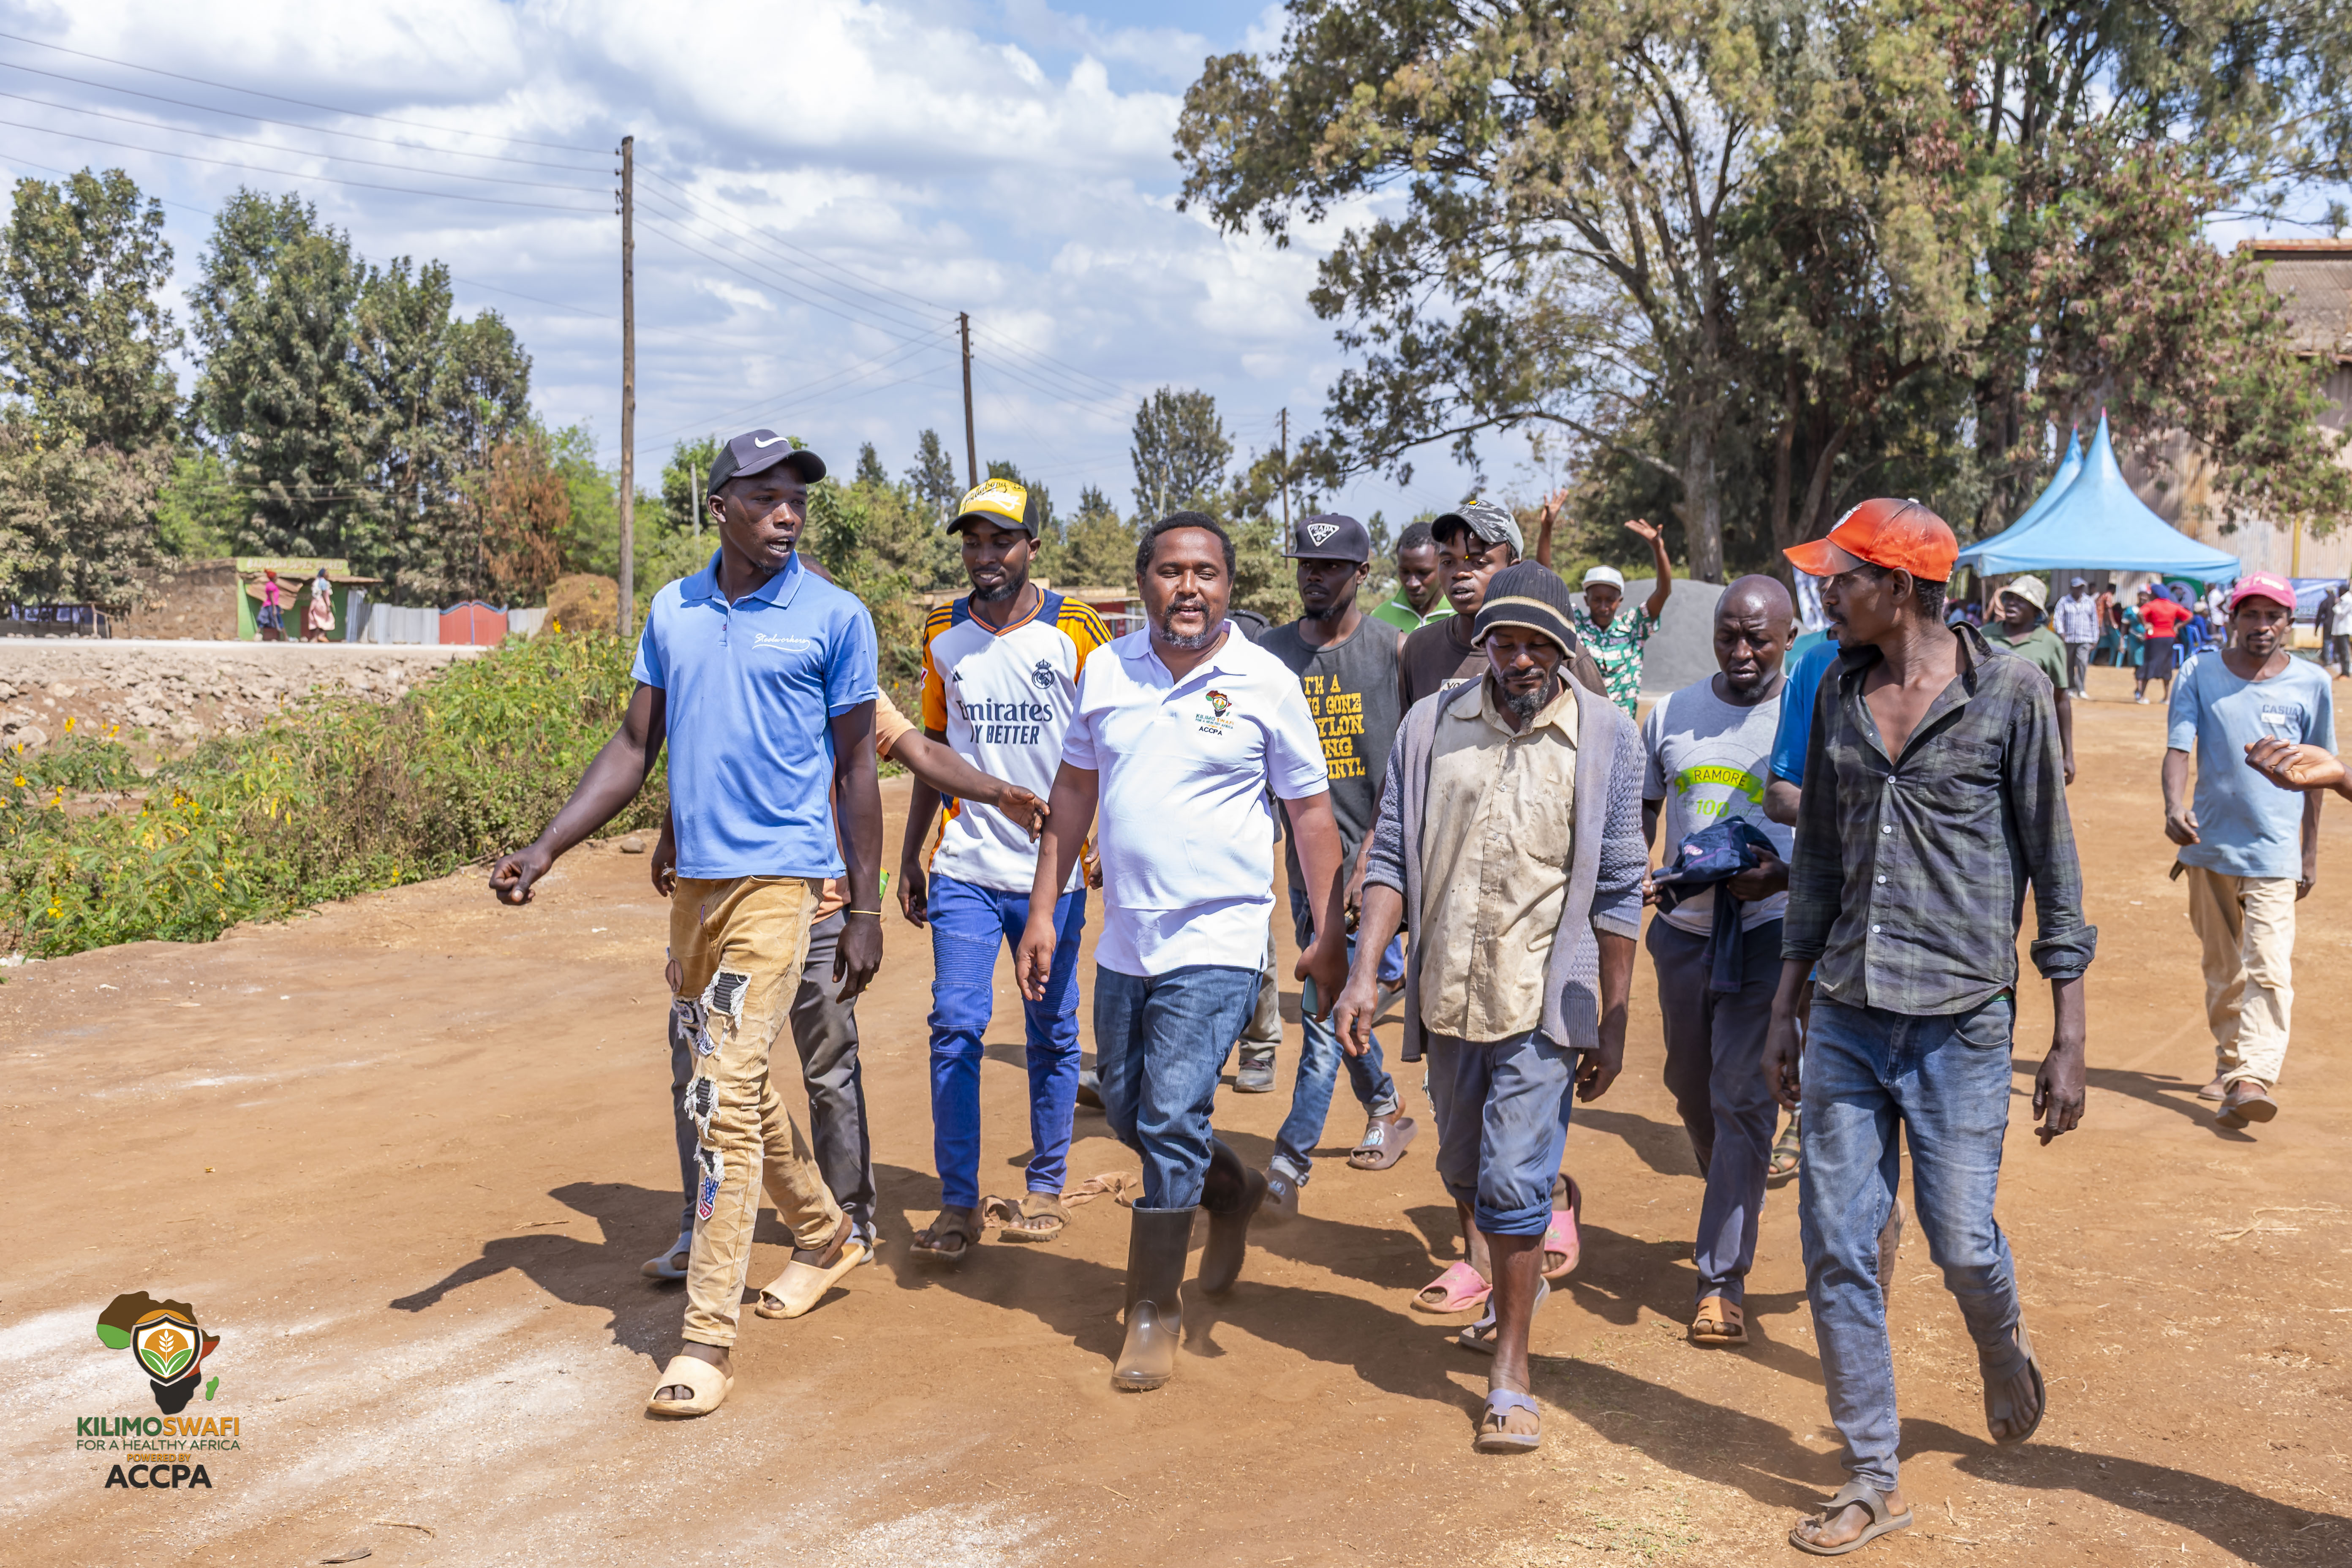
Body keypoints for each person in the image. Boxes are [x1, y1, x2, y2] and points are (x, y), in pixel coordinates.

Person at [488, 430, 879, 1420]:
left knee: (717, 1097)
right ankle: (829, 1234)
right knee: (734, 1083)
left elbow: (859, 771)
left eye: (798, 497)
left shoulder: (835, 618)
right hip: (695, 893)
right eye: (766, 495)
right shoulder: (674, 609)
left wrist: (865, 904)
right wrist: (546, 848)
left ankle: (707, 1334)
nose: (787, 511)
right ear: (720, 504)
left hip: (783, 885)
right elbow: (633, 746)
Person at [1766, 497, 2093, 1554]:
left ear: (1897, 589)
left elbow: (2054, 859)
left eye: (1843, 576)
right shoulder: (1836, 694)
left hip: (1961, 1025)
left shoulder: (2010, 693)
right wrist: (1788, 1003)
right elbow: (1815, 854)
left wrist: (2068, 1031)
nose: (1827, 592)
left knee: (1959, 1239)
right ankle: (1871, 1471)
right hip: (1850, 1017)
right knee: (1836, 1246)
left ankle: (1998, 1342)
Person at [1016, 512, 1349, 1394]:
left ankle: (1153, 1307)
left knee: (1167, 1116)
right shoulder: (1104, 670)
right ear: (1146, 583)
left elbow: (1312, 816)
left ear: (1229, 587)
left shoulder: (1266, 683)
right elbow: (1075, 787)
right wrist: (1047, 909)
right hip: (1127, 938)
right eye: (1170, 571)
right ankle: (1232, 1189)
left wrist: (1327, 935)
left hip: (1223, 936)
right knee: (1130, 1112)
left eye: (1206, 571)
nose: (1188, 587)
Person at [1334, 561, 1644, 1454]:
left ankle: (1511, 1369)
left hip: (1541, 998)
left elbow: (1622, 884)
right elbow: (1390, 854)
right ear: (1485, 644)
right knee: (1466, 1172)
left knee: (1510, 1183)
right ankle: (1516, 1265)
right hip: (1446, 993)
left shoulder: (1608, 735)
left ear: (1564, 648)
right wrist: (1366, 975)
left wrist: (1612, 1013)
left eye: (1538, 642)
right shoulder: (1433, 725)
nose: (1520, 658)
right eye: (1505, 640)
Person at [647, 681, 1047, 1279]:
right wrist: (671, 834)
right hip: (718, 914)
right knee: (701, 1075)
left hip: (819, 912)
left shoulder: (840, 670)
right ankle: (698, 1224)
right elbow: (689, 760)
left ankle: (848, 1220)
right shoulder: (713, 648)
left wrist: (993, 795)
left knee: (829, 1070)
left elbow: (920, 753)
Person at [895, 476, 1111, 1261]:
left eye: (1001, 541)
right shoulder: (942, 631)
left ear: (1031, 547)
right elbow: (930, 751)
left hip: (1051, 875)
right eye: (972, 541)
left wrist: (1105, 853)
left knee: (1052, 1031)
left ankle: (1046, 1184)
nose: (985, 556)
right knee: (955, 1025)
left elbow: (1103, 750)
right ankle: (957, 1202)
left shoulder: (1076, 628)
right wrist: (911, 854)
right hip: (964, 866)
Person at [1641, 577, 1795, 1347]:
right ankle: (1732, 1184)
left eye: (1758, 639)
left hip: (1768, 933)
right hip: (1684, 935)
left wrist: (1786, 877)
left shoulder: (1804, 715)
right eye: (1727, 636)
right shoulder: (1669, 714)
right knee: (1690, 1090)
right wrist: (1633, 871)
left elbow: (1839, 828)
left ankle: (1719, 1279)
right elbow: (1639, 812)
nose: (1741, 652)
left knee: (1740, 1097)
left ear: (1789, 636)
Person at [1256, 514, 1412, 1217]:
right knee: (1337, 1004)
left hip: (1373, 876)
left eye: (1328, 566)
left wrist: (1377, 853)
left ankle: (1288, 1161)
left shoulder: (1394, 653)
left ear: (1360, 572)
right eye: (1304, 565)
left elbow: (1410, 767)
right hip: (1304, 873)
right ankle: (1384, 1101)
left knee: (1321, 1014)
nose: (1312, 576)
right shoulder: (1268, 656)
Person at [2160, 571, 2331, 1130]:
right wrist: (2173, 806)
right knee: (2223, 969)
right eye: (2251, 615)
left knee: (2270, 967)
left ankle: (2252, 1076)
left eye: (2273, 616)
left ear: (2289, 623)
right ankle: (2229, 1063)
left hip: (2276, 852)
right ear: (2232, 619)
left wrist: (2309, 854)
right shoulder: (2200, 673)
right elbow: (2179, 748)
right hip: (2208, 848)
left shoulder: (2312, 684)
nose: (2262, 627)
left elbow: (2319, 774)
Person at [1400, 501, 1604, 709]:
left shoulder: (1556, 648)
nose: (1459, 573)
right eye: (1448, 562)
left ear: (1512, 568)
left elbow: (1605, 730)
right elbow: (1407, 735)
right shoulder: (1419, 648)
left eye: (1478, 562)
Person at [1571, 517, 1675, 716]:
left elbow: (1663, 591)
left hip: (1623, 729)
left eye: (1610, 600)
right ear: (1586, 600)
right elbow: (1546, 577)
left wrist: (1658, 549)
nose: (1603, 607)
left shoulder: (1634, 627)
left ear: (1620, 601)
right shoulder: (1576, 626)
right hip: (1582, 726)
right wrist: (1548, 528)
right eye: (1596, 600)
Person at [1981, 577, 2076, 784]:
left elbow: (2061, 699)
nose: (2012, 603)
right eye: (2010, 598)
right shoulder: (1984, 636)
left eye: (2021, 600)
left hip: (2030, 737)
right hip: (1984, 735)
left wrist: (2068, 753)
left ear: (2036, 610)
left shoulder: (2051, 644)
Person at [1369, 520, 1455, 632]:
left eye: (1423, 573)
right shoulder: (1379, 617)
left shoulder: (1464, 615)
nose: (1412, 583)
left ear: (1443, 565)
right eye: (1405, 572)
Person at [2137, 587, 2193, 704]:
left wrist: (2146, 625)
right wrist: (2177, 627)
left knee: (2149, 664)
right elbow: (2189, 616)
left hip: (2153, 638)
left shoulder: (2152, 605)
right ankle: (2167, 698)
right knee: (2166, 665)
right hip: (2169, 638)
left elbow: (2140, 613)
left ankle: (2142, 697)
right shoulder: (2173, 606)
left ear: (2155, 595)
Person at [2053, 577, 2099, 697]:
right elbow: (2058, 618)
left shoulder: (2089, 602)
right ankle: (2071, 688)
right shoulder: (2064, 601)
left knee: (2082, 663)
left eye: (2081, 588)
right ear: (2071, 588)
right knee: (2068, 664)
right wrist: (2061, 632)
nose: (2079, 590)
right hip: (2068, 639)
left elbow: (2094, 621)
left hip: (2085, 639)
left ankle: (2081, 689)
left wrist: (2095, 638)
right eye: (2077, 588)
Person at [2324, 578, 2352, 679]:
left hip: (2344, 630)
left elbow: (2341, 614)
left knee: (2344, 652)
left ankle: (2346, 673)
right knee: (2340, 651)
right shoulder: (2343, 599)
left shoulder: (2348, 600)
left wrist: (2336, 606)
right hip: (2340, 630)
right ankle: (2343, 672)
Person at [303, 567, 336, 642]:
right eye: (326, 573)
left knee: (318, 620)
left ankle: (315, 638)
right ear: (323, 574)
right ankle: (322, 635)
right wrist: (328, 606)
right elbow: (324, 594)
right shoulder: (323, 582)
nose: (328, 574)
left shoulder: (316, 582)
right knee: (329, 619)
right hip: (322, 603)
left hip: (316, 603)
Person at [256, 569, 286, 642]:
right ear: (273, 578)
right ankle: (286, 638)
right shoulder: (270, 585)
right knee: (276, 621)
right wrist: (274, 609)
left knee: (276, 622)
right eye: (276, 576)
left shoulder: (272, 585)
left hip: (273, 605)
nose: (277, 578)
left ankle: (280, 638)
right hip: (270, 606)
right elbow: (272, 597)